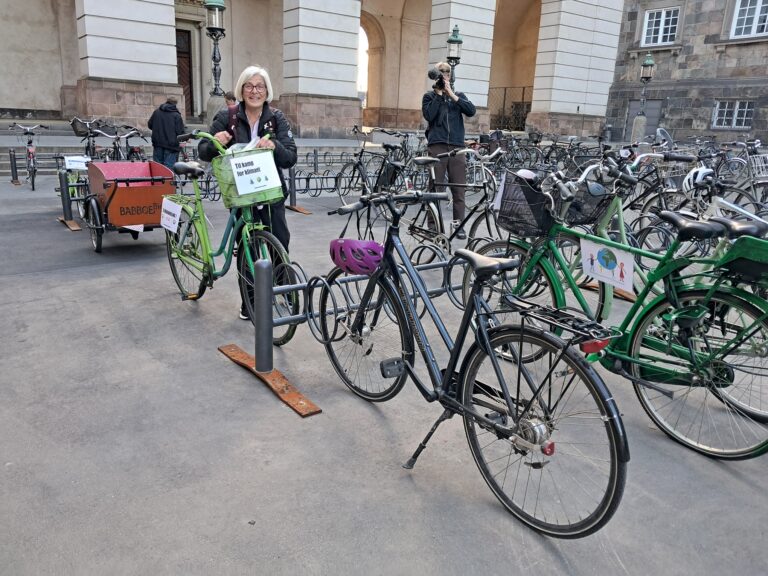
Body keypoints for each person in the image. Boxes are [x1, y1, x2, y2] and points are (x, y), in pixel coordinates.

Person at [198, 65, 298, 320]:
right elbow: (203, 151)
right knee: (246, 247)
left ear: (267, 91)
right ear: (241, 89)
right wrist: (215, 141)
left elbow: (290, 158)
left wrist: (274, 145)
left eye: (260, 86)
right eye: (249, 86)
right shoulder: (228, 116)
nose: (255, 91)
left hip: (270, 191)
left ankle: (284, 290)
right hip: (241, 194)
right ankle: (250, 301)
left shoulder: (277, 119)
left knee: (279, 243)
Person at [421, 62, 476, 240]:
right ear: (436, 74)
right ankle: (433, 227)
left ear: (451, 75)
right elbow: (429, 116)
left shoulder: (458, 96)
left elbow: (471, 111)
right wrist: (438, 94)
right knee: (435, 188)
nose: (444, 74)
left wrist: (451, 94)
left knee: (459, 189)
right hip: (437, 145)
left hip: (457, 147)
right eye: (441, 71)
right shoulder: (429, 97)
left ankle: (458, 226)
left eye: (447, 71)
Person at [147, 95, 185, 169]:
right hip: (171, 145)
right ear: (175, 104)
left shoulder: (157, 112)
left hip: (158, 143)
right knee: (168, 168)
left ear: (166, 102)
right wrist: (186, 139)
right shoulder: (176, 115)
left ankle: (158, 181)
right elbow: (180, 131)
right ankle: (168, 181)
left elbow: (150, 125)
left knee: (157, 167)